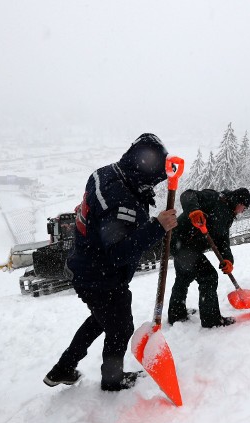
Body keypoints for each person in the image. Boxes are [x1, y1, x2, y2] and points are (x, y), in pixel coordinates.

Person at [43, 133, 178, 391]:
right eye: (153, 179)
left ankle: (62, 369)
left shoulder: (105, 173)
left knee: (101, 318)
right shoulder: (120, 200)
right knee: (120, 328)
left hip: (89, 267)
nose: (155, 185)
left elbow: (99, 208)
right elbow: (118, 253)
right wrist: (157, 227)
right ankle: (112, 381)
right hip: (99, 275)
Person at [168, 187, 250, 328]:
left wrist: (228, 260)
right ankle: (211, 320)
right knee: (209, 277)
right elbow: (188, 195)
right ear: (239, 201)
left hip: (185, 245)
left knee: (183, 278)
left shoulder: (227, 217)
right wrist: (194, 210)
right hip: (181, 241)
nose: (243, 211)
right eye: (244, 207)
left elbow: (223, 242)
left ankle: (177, 314)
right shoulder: (214, 198)